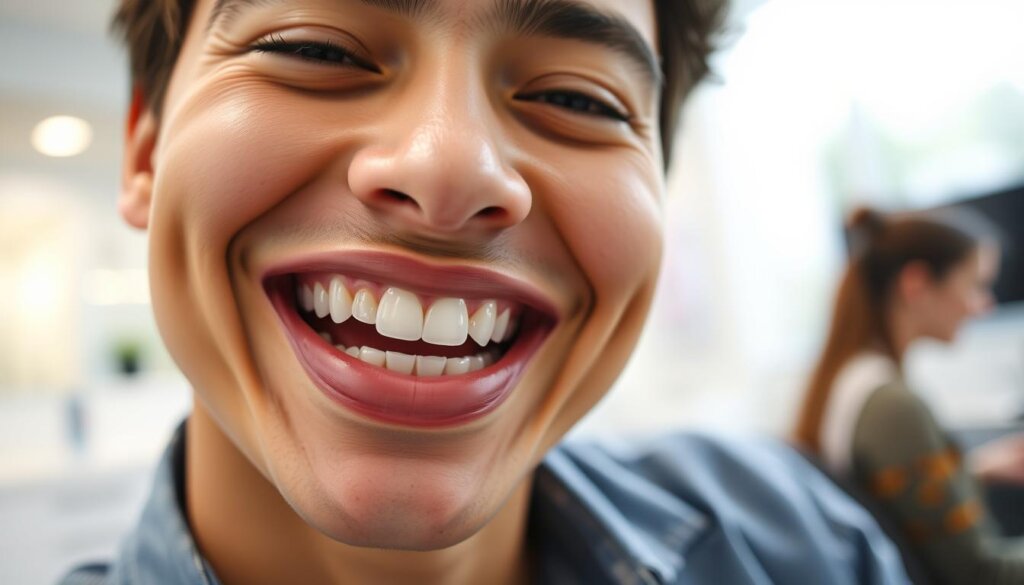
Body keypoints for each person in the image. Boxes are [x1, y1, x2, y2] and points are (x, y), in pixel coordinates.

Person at [62, 1, 912, 583]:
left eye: (576, 98)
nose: (452, 166)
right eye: (315, 48)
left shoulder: (806, 544)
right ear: (143, 149)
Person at [794, 207, 1024, 584]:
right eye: (975, 285)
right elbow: (982, 574)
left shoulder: (852, 381)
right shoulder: (892, 407)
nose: (986, 305)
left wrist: (976, 470)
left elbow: (890, 508)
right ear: (916, 284)